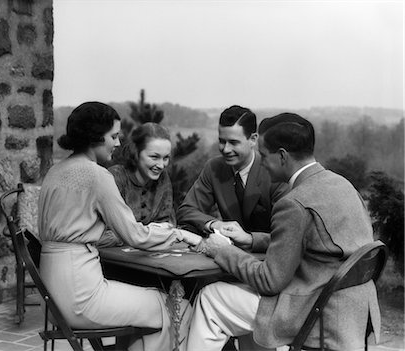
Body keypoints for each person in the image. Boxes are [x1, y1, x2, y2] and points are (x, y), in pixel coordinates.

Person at [186, 113, 380, 351]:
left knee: (211, 298)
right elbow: (312, 241)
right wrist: (252, 240)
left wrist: (222, 250)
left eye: (264, 156)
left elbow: (269, 281)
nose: (262, 163)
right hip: (354, 313)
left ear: (282, 156)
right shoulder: (343, 185)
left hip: (314, 314)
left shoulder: (293, 203)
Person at [38, 102, 201, 351]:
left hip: (53, 299)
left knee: (145, 310)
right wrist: (177, 233)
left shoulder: (55, 171)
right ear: (95, 137)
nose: (117, 143)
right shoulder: (98, 176)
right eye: (113, 136)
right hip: (81, 295)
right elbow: (135, 235)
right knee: (177, 307)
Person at [176, 105, 288, 249]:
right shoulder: (214, 168)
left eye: (234, 142)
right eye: (222, 141)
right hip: (227, 258)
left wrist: (250, 239)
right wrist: (214, 224)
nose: (226, 149)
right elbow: (186, 211)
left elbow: (289, 235)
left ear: (253, 139)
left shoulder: (274, 173)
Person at [101, 123, 175, 247]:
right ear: (136, 152)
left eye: (166, 158)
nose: (161, 165)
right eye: (154, 157)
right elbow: (104, 234)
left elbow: (167, 224)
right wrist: (146, 234)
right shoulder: (115, 177)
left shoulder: (162, 178)